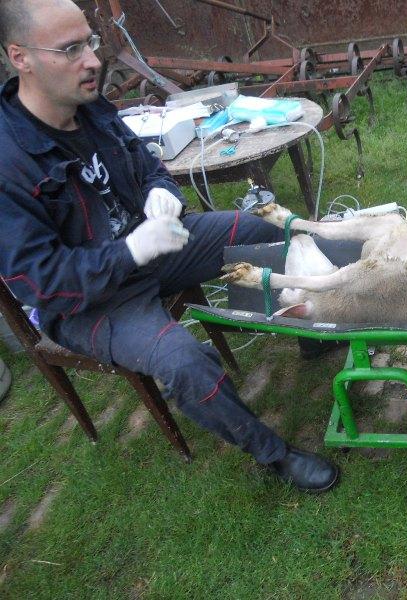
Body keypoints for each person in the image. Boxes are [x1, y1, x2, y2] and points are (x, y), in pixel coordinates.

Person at [0, 0, 339, 493]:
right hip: (89, 301)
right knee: (183, 363)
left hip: (155, 246)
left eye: (90, 42)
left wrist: (162, 190)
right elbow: (40, 283)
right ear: (20, 57)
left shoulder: (88, 105)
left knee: (258, 230)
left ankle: (308, 332)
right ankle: (275, 455)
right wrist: (128, 252)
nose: (92, 60)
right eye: (70, 49)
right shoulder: (8, 162)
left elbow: (148, 165)